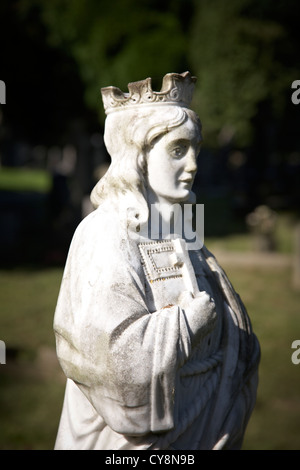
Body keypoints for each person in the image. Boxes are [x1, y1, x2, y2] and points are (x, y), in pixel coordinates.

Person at [53, 72, 260, 450]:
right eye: (178, 150)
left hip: (201, 429)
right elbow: (106, 358)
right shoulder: (106, 234)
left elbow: (232, 327)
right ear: (138, 155)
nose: (194, 164)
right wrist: (185, 324)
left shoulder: (180, 230)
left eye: (196, 148)